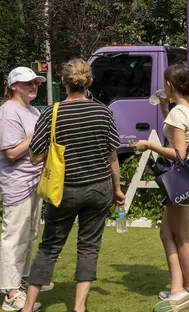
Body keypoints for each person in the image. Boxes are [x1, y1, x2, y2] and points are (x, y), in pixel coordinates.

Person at [20, 59, 125, 312]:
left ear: (64, 82)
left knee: (49, 247)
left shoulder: (52, 113)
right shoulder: (103, 112)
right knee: (89, 247)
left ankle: (28, 306)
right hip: (100, 188)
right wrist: (118, 189)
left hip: (63, 190)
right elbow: (113, 158)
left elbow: (35, 156)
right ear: (89, 82)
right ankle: (79, 308)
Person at [133, 64, 189, 312]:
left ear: (170, 85)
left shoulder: (178, 114)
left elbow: (178, 152)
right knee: (167, 233)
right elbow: (177, 133)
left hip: (180, 178)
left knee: (183, 235)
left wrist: (149, 146)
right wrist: (165, 106)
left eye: (165, 84)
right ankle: (178, 287)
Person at [0, 67, 52, 311]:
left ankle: (20, 281)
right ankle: (11, 294)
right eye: (27, 83)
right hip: (17, 183)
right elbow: (11, 153)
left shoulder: (32, 110)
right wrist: (39, 135)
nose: (33, 86)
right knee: (14, 236)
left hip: (35, 181)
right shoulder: (8, 111)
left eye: (36, 83)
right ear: (13, 86)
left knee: (29, 234)